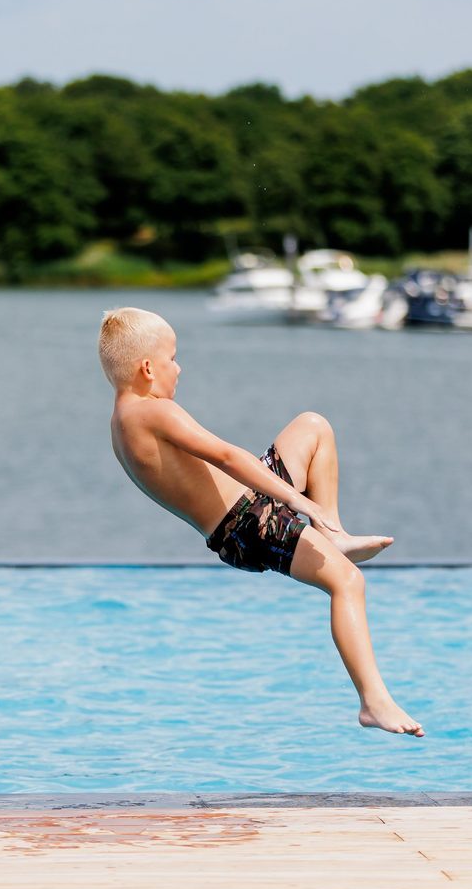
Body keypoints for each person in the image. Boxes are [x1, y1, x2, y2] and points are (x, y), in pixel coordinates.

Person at [98, 307, 424, 736]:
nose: (179, 368)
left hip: (245, 514)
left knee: (313, 427)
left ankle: (333, 535)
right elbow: (226, 456)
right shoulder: (152, 412)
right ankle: (373, 701)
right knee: (347, 582)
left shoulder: (120, 424)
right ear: (147, 368)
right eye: (172, 359)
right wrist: (297, 501)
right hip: (249, 521)